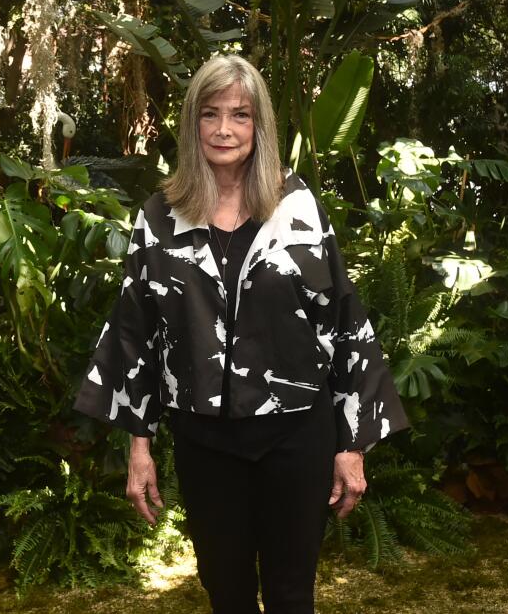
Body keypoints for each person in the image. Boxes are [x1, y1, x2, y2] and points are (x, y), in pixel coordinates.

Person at [73, 54, 410, 614]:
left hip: (297, 433)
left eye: (240, 115)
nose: (224, 129)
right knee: (224, 588)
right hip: (206, 439)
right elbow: (135, 336)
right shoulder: (160, 218)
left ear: (261, 126)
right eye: (210, 114)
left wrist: (352, 445)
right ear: (193, 124)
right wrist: (140, 448)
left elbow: (344, 321)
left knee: (290, 592)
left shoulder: (297, 207)